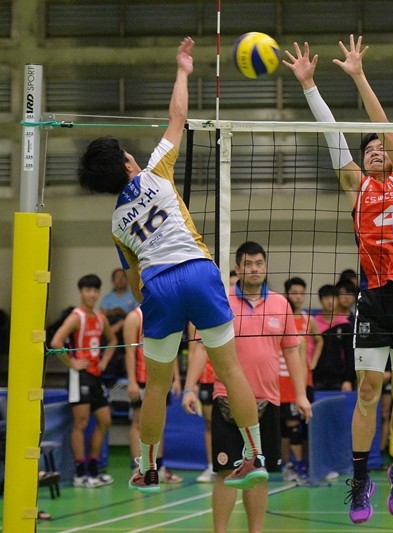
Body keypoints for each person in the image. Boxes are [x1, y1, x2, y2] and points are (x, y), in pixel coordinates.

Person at [76, 37, 265, 493]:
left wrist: (158, 308)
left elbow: (138, 284)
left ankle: (146, 467)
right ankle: (255, 455)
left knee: (157, 386)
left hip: (160, 286)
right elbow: (178, 116)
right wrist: (182, 68)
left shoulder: (117, 224)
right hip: (200, 273)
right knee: (231, 370)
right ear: (126, 162)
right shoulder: (156, 171)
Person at [285, 37, 393, 523]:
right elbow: (332, 135)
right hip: (371, 297)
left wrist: (359, 77)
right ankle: (362, 478)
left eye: (378, 148)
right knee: (369, 388)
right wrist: (309, 85)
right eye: (366, 150)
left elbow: (383, 128)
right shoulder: (356, 186)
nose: (372, 151)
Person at [183, 241, 312, 533]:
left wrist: (301, 395)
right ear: (238, 268)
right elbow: (202, 347)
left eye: (259, 263)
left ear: (265, 267)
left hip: (268, 401)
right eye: (248, 264)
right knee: (225, 471)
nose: (254, 269)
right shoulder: (221, 300)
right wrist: (190, 387)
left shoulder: (281, 304)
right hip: (227, 400)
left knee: (258, 473)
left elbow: (292, 351)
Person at [50, 273, 116, 488]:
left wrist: (105, 360)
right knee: (81, 422)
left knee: (105, 420)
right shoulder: (76, 316)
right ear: (81, 292)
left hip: (96, 376)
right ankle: (80, 473)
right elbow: (56, 342)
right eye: (88, 290)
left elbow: (113, 340)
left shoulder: (100, 317)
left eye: (95, 290)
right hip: (80, 377)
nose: (92, 294)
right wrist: (73, 363)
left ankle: (94, 469)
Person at [122, 307, 183, 484]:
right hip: (142, 379)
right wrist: (132, 381)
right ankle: (139, 466)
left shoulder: (167, 311)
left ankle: (159, 467)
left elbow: (172, 349)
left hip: (161, 378)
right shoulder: (134, 318)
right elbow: (129, 352)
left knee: (158, 422)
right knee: (138, 422)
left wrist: (176, 378)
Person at [281, 276, 322, 483]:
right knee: (288, 425)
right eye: (294, 292)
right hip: (283, 379)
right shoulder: (282, 316)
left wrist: (312, 363)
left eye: (301, 293)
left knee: (304, 424)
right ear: (287, 293)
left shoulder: (308, 319)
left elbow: (318, 340)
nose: (298, 297)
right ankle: (292, 465)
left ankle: (306, 464)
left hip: (304, 378)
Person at [187, 322, 217, 483]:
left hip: (227, 376)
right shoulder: (194, 323)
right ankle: (212, 466)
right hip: (207, 379)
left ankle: (236, 465)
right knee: (209, 422)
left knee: (234, 421)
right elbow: (193, 353)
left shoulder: (230, 309)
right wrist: (192, 385)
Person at [311, 284, 356, 392]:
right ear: (321, 300)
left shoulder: (345, 325)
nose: (330, 301)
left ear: (337, 300)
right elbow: (309, 351)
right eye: (326, 298)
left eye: (333, 297)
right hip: (316, 378)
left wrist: (348, 380)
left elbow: (350, 353)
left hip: (339, 380)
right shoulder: (313, 323)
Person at [99, 267, 139, 379]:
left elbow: (138, 314)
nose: (120, 280)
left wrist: (124, 313)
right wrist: (113, 311)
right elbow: (102, 314)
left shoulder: (133, 296)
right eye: (117, 278)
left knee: (122, 321)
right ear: (113, 281)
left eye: (123, 277)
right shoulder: (108, 298)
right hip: (111, 325)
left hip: (128, 326)